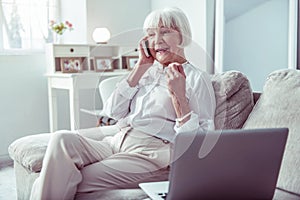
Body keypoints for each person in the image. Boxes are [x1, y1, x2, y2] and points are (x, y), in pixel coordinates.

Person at [30, 7, 216, 200]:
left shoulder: (197, 79)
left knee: (61, 178)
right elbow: (112, 112)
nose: (157, 39)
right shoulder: (147, 71)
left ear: (182, 35)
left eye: (166, 31)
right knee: (61, 139)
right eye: (151, 34)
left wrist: (179, 98)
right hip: (117, 141)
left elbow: (199, 144)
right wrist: (140, 67)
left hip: (153, 155)